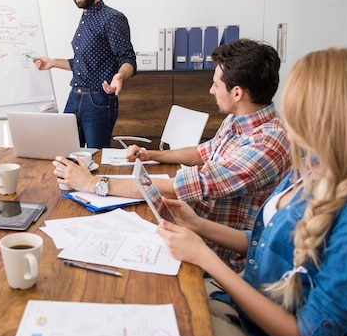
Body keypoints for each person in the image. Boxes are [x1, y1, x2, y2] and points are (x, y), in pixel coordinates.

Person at [157, 47, 347, 336]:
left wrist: (205, 257)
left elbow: (304, 335)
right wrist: (198, 226)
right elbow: (261, 244)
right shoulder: (308, 169)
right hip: (240, 302)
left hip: (257, 332)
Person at [55, 39, 291, 271]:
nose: (211, 90)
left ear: (237, 93)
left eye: (216, 85)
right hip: (195, 227)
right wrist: (150, 154)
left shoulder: (265, 144)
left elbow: (183, 185)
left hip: (219, 260)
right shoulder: (239, 120)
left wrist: (94, 184)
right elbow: (203, 152)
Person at [34, 0, 137, 148]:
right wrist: (52, 62)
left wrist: (120, 75)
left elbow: (127, 58)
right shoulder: (85, 17)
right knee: (64, 152)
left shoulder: (113, 18)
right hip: (75, 96)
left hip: (98, 100)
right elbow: (85, 63)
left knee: (96, 158)